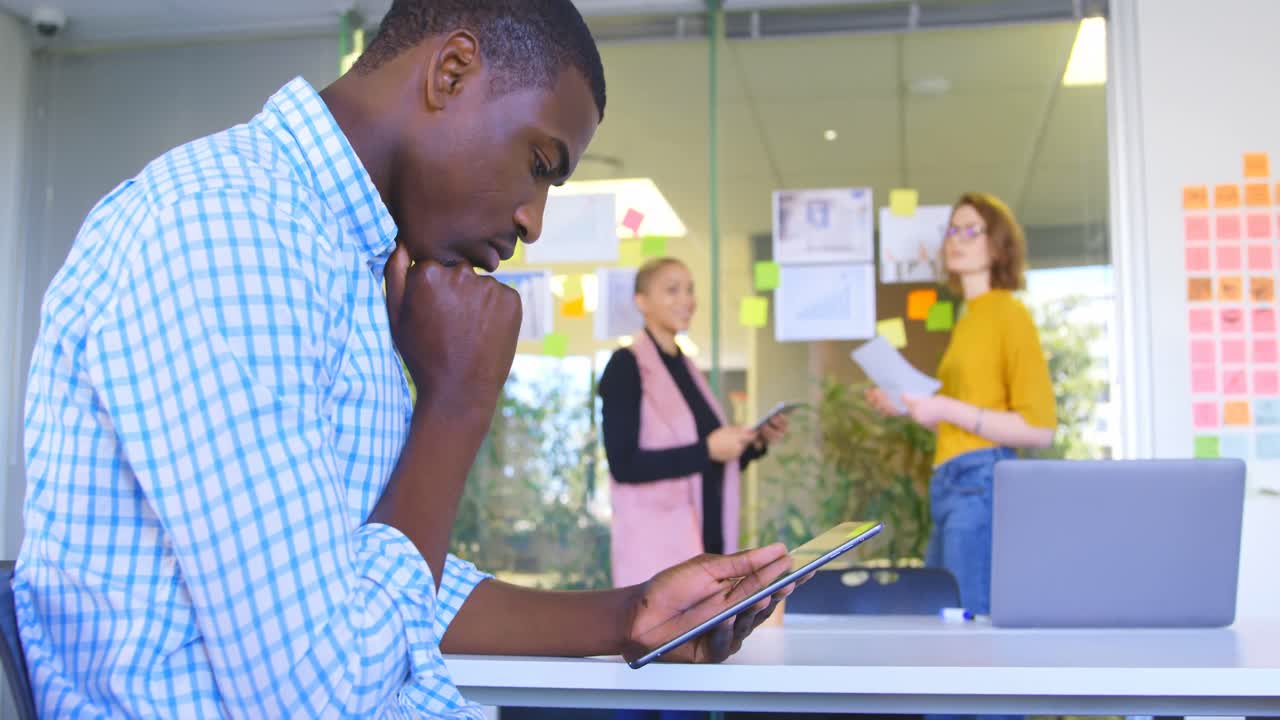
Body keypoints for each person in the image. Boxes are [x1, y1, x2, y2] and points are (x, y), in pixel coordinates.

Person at [13, 2, 792, 717]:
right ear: (450, 72)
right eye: (540, 164)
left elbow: (372, 584)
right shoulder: (230, 230)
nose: (534, 219)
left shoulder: (338, 256)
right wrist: (455, 405)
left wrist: (629, 617)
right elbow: (325, 690)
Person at [866, 192, 1057, 617]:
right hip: (952, 480)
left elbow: (1039, 428)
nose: (957, 238)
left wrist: (946, 408)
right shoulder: (968, 320)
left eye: (972, 230)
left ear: (998, 245)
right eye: (952, 229)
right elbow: (964, 422)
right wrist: (910, 408)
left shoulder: (1009, 313)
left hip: (980, 480)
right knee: (948, 618)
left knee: (967, 622)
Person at [600, 258, 789, 590]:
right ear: (641, 301)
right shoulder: (626, 366)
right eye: (672, 290)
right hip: (658, 543)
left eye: (690, 290)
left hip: (709, 538)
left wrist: (756, 442)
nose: (687, 300)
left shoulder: (688, 369)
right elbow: (624, 464)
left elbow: (713, 461)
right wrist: (707, 450)